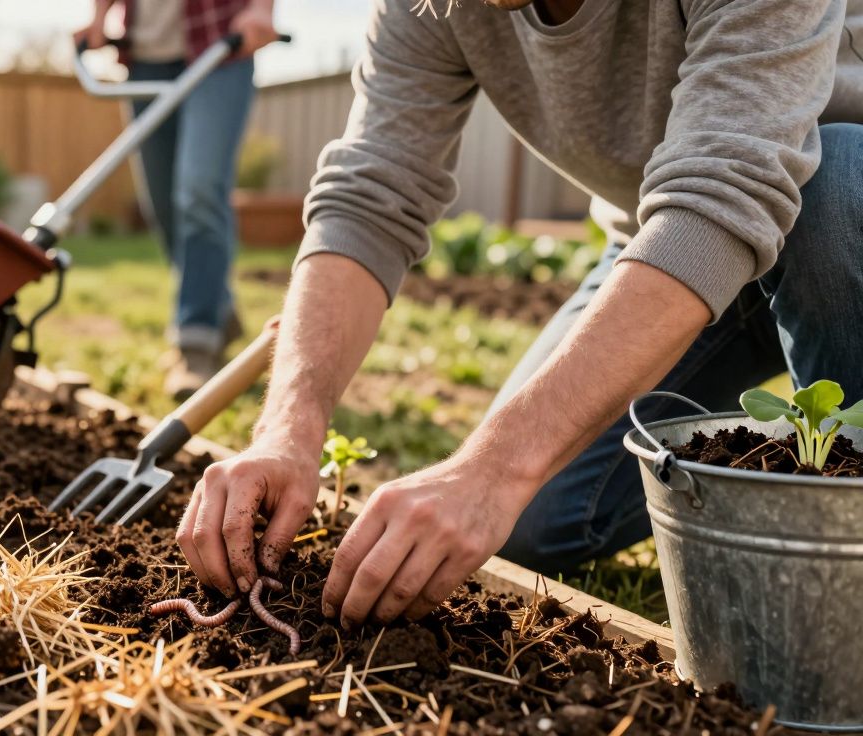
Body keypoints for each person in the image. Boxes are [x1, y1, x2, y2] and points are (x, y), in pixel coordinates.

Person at [175, 0, 863, 628]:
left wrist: (494, 468)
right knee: (528, 517)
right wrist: (287, 430)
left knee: (831, 196)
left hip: (832, 215)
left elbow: (724, 193)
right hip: (670, 248)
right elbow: (370, 196)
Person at [77, 0, 279, 400]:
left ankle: (196, 343)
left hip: (220, 44)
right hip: (145, 55)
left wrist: (262, 10)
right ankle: (219, 310)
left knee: (199, 189)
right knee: (163, 203)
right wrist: (99, 20)